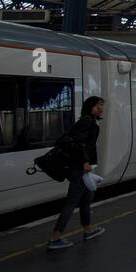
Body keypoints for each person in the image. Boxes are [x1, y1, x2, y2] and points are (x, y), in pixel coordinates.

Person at [46, 96, 106, 250]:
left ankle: (88, 230)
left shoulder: (90, 121)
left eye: (102, 105)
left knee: (87, 198)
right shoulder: (86, 120)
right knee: (72, 201)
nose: (101, 108)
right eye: (98, 105)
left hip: (83, 167)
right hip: (80, 168)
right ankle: (55, 237)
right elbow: (79, 143)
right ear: (90, 106)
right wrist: (85, 162)